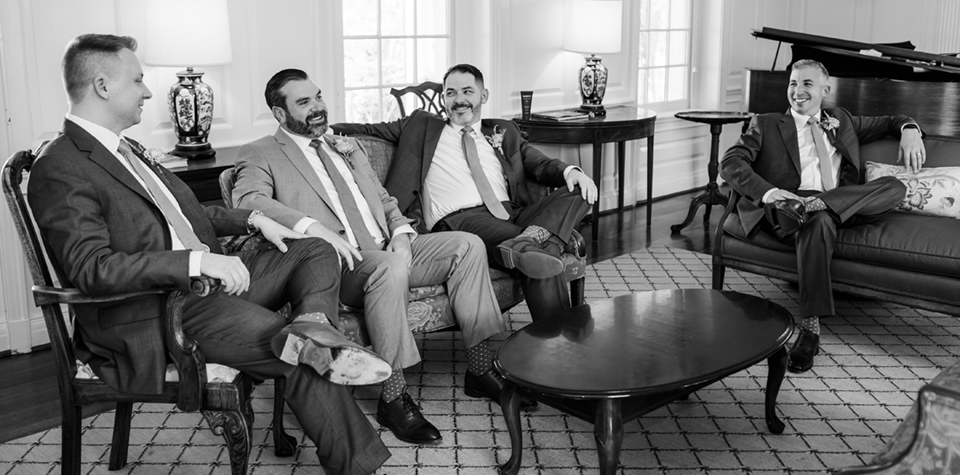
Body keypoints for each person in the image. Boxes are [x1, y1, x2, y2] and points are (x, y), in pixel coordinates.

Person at [28, 34, 390, 474]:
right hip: (160, 308)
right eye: (139, 80)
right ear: (103, 86)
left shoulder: (123, 148)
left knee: (313, 247)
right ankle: (356, 460)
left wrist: (254, 221)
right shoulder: (61, 164)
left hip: (207, 289)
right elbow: (91, 269)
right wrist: (197, 262)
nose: (146, 91)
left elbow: (189, 214)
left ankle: (315, 329)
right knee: (298, 355)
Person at [232, 68, 522, 446]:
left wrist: (402, 233)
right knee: (388, 267)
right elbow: (248, 200)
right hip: (341, 262)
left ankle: (481, 368)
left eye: (318, 96)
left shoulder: (344, 145)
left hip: (387, 246)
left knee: (468, 244)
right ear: (280, 113)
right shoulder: (261, 151)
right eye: (304, 102)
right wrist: (310, 227)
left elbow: (384, 201)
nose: (319, 107)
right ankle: (393, 395)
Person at [332, 63, 598, 321]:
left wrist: (571, 172)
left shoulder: (503, 131)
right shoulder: (421, 125)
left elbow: (540, 164)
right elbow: (366, 131)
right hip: (461, 220)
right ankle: (558, 339)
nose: (458, 99)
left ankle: (525, 244)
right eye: (451, 92)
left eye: (467, 91)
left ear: (483, 96)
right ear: (443, 99)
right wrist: (322, 133)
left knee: (580, 191)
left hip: (513, 213)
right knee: (541, 252)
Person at [720, 59, 924, 373]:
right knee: (817, 222)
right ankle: (810, 329)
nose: (797, 91)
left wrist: (910, 130)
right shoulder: (766, 123)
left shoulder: (841, 119)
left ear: (825, 90)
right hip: (790, 206)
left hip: (840, 204)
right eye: (793, 83)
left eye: (807, 84)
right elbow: (731, 163)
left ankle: (820, 205)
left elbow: (892, 120)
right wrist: (771, 194)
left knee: (895, 186)